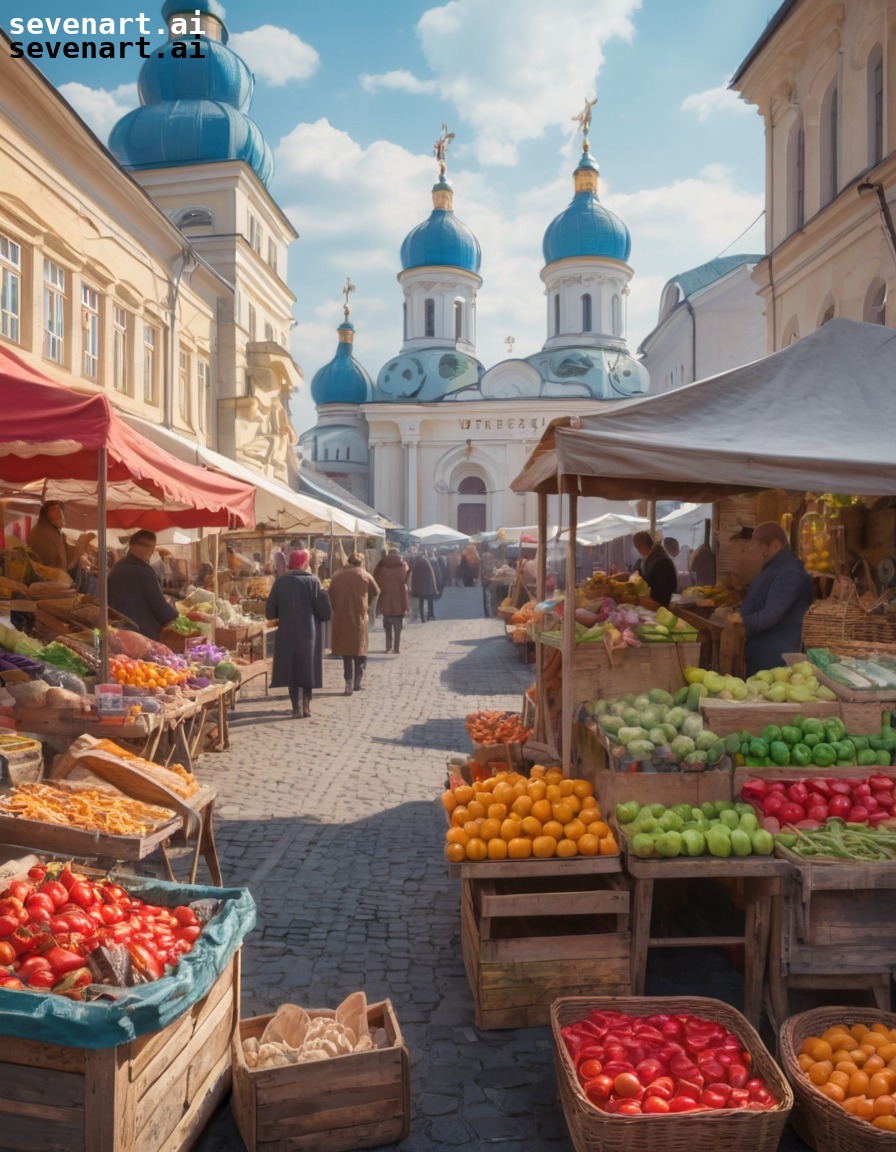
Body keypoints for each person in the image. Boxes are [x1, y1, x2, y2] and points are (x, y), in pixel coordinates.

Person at [736, 521, 813, 676]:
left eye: (759, 549)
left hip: (775, 661)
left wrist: (740, 622)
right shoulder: (774, 567)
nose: (756, 554)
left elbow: (772, 614)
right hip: (761, 656)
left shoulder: (790, 571)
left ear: (776, 545)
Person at [265, 549, 332, 718]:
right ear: (305, 563)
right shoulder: (313, 582)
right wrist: (324, 595)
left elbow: (270, 612)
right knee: (307, 666)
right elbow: (324, 613)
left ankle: (296, 706)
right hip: (309, 631)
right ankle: (306, 705)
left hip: (287, 631)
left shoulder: (280, 582)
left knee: (291, 666)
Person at [107, 530, 179, 640]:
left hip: (118, 633)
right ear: (132, 545)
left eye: (152, 547)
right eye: (143, 545)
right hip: (144, 635)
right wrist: (177, 617)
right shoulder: (144, 571)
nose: (149, 550)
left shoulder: (116, 567)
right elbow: (161, 609)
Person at [328, 554, 380, 695]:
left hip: (341, 618)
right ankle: (357, 680)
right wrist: (367, 605)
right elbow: (376, 591)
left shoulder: (337, 577)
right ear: (361, 563)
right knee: (360, 650)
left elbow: (330, 597)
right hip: (359, 618)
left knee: (347, 653)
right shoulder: (364, 575)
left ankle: (349, 682)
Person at [27, 500, 93, 579]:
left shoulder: (53, 531)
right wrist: (78, 549)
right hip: (48, 583)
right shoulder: (42, 532)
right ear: (45, 513)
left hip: (56, 581)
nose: (59, 513)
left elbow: (65, 555)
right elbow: (54, 567)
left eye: (60, 509)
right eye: (54, 509)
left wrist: (81, 545)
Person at [373, 547, 409, 653]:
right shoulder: (402, 567)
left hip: (386, 599)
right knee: (398, 626)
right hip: (399, 599)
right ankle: (396, 648)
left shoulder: (381, 567)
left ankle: (388, 647)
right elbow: (406, 582)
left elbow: (375, 581)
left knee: (387, 625)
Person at [632, 530, 678, 609]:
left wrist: (634, 600)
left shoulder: (660, 563)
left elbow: (659, 603)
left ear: (639, 548)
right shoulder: (650, 559)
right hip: (656, 608)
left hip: (662, 612)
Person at [409, 552, 439, 622]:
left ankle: (422, 617)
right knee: (429, 601)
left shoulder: (416, 564)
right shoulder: (427, 564)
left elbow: (414, 577)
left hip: (419, 588)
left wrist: (414, 588)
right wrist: (434, 587)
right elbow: (432, 575)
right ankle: (430, 615)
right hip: (428, 586)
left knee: (421, 602)